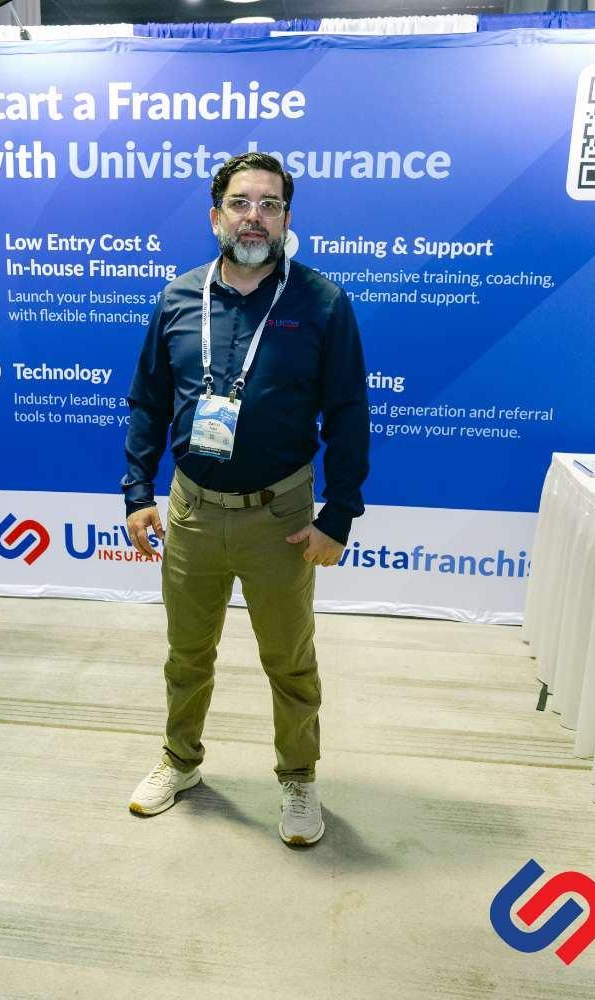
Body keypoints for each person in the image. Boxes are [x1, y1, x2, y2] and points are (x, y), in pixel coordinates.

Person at [121, 152, 369, 846]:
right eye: (240, 203)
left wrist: (338, 515)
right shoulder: (178, 298)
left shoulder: (322, 303)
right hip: (192, 511)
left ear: (286, 219)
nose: (253, 217)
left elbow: (348, 414)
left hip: (280, 518)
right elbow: (148, 402)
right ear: (215, 217)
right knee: (187, 653)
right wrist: (137, 491)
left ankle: (298, 776)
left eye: (269, 204)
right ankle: (180, 761)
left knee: (288, 659)